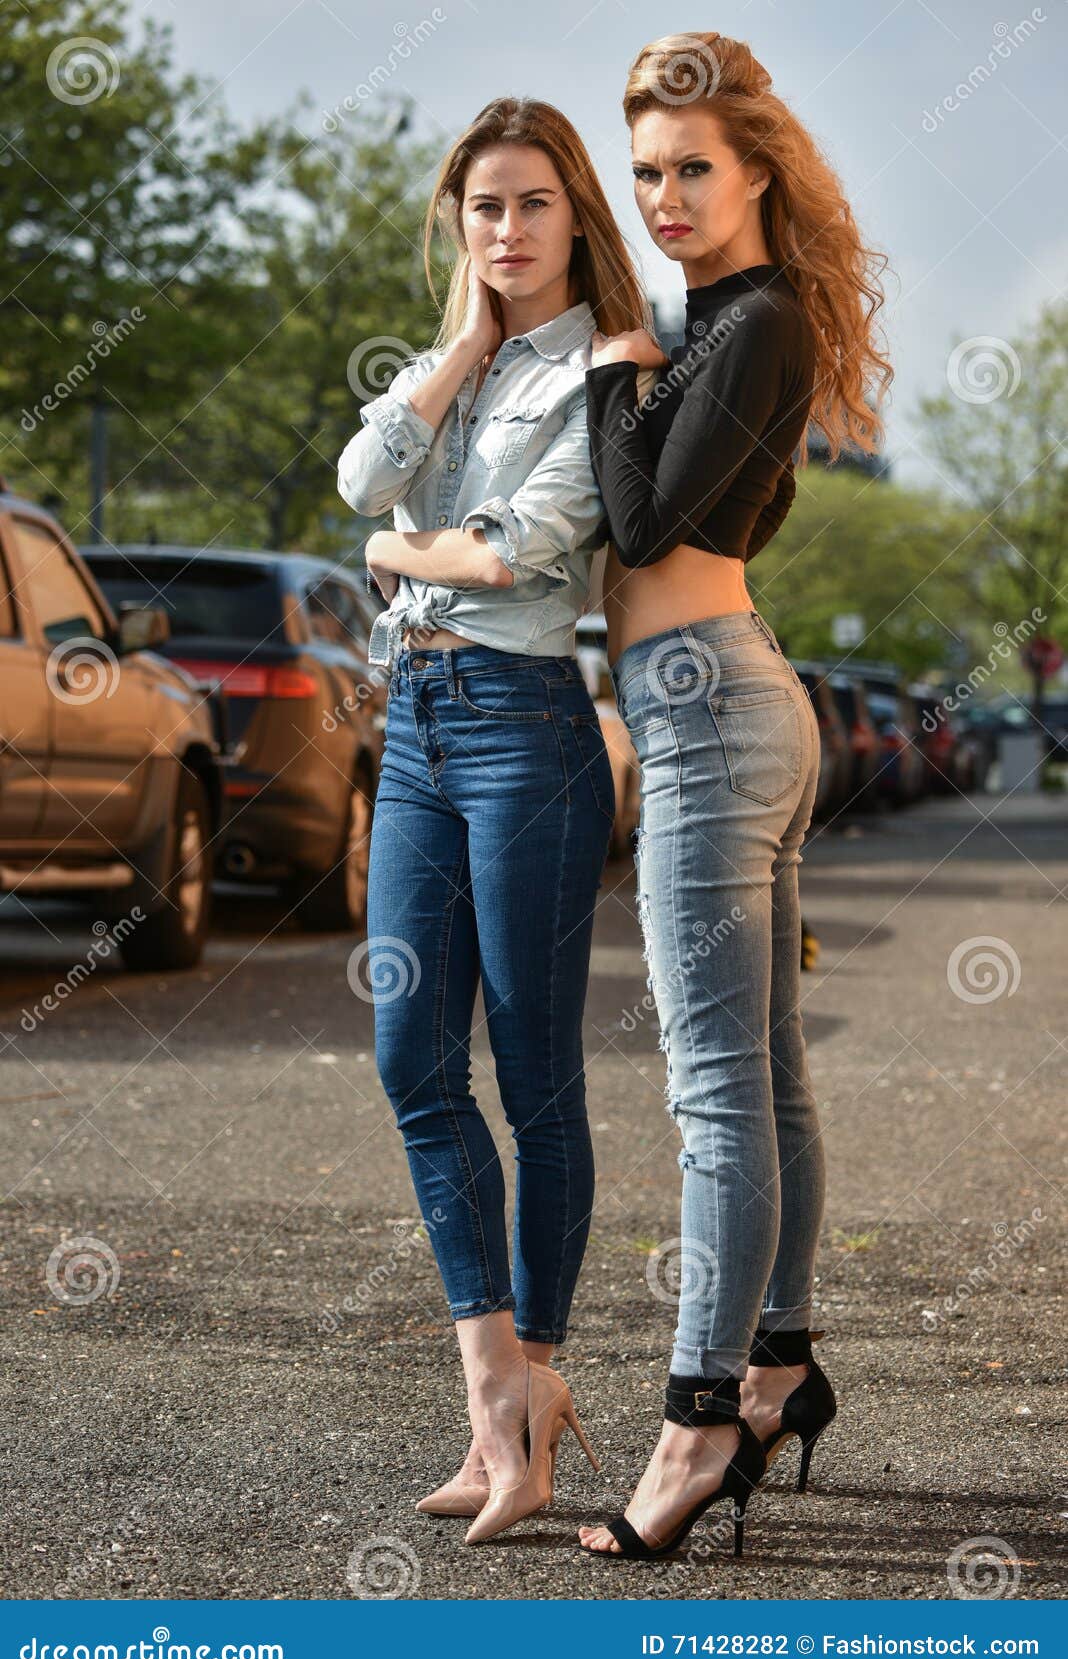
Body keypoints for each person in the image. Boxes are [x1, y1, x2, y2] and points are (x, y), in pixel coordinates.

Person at [576, 32, 892, 1560]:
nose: (663, 195)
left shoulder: (749, 325)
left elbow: (639, 519)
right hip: (728, 694)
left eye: (692, 167)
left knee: (718, 1087)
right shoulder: (718, 321)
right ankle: (779, 1364)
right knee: (764, 1074)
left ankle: (700, 1419)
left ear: (759, 170)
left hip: (710, 710)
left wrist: (604, 381)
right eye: (643, 172)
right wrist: (644, 362)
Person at [337, 97, 654, 1547]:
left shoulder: (610, 368)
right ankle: (498, 1400)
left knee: (532, 1073)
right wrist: (463, 343)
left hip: (529, 723)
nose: (508, 231)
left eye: (531, 205)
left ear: (574, 214)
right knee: (412, 1049)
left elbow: (512, 549)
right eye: (483, 209)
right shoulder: (452, 365)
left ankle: (533, 1398)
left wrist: (396, 551)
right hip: (414, 723)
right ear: (460, 226)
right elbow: (359, 474)